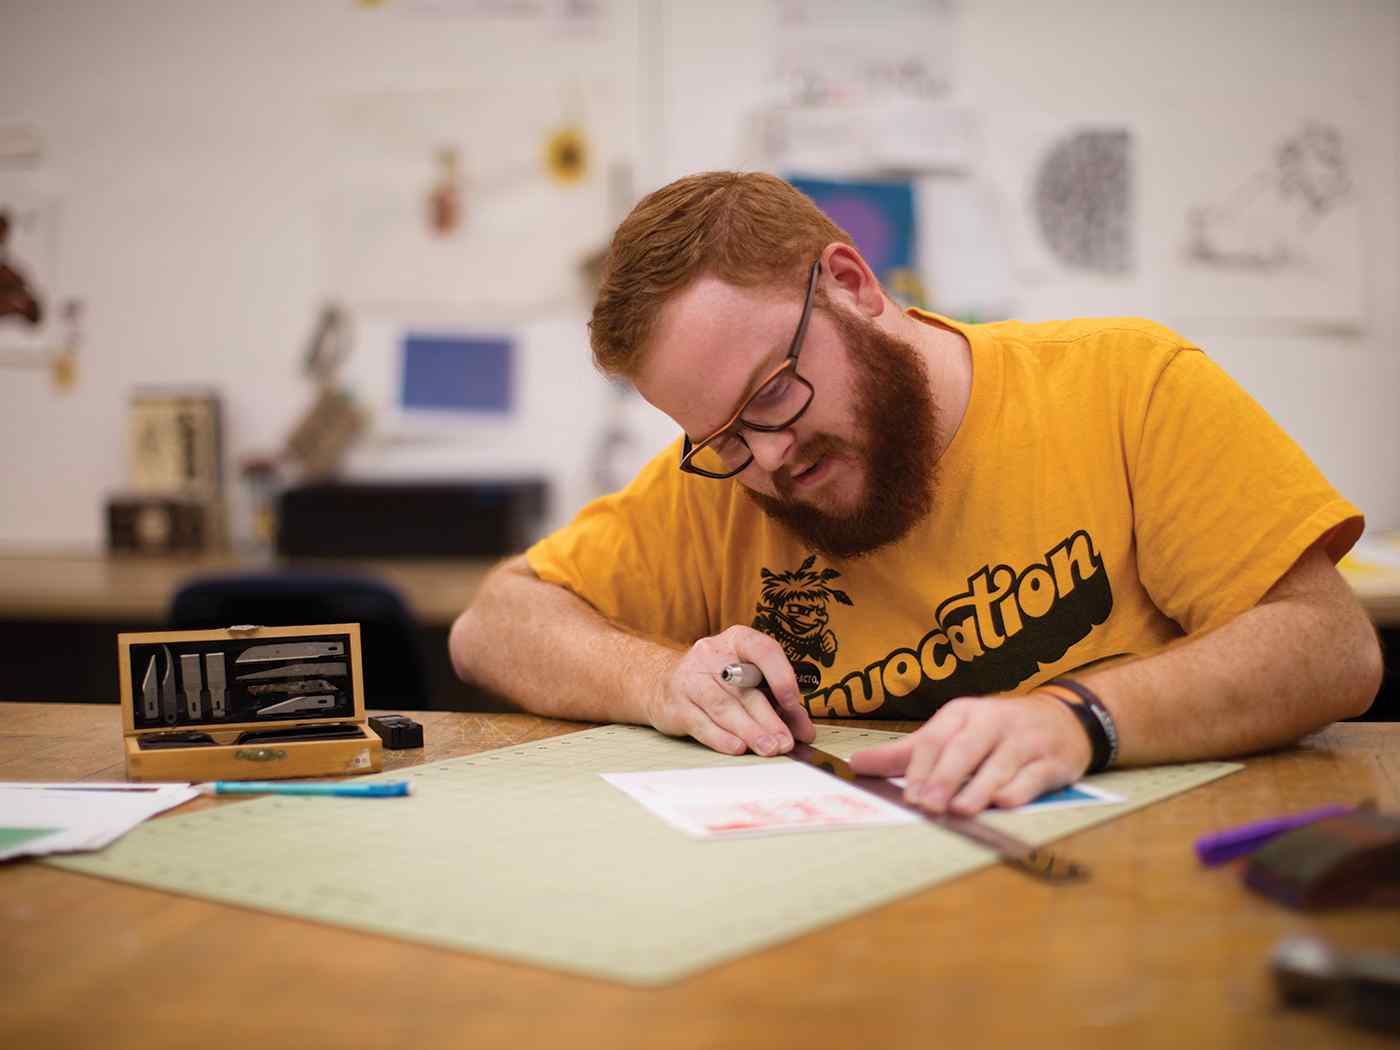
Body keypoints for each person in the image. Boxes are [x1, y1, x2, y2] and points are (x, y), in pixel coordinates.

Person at [449, 171, 1380, 816]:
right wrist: (658, 680)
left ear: (851, 285)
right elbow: (494, 624)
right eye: (723, 436)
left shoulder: (1126, 386)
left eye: (774, 393)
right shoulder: (721, 484)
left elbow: (1327, 646)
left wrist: (1081, 720)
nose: (767, 460)